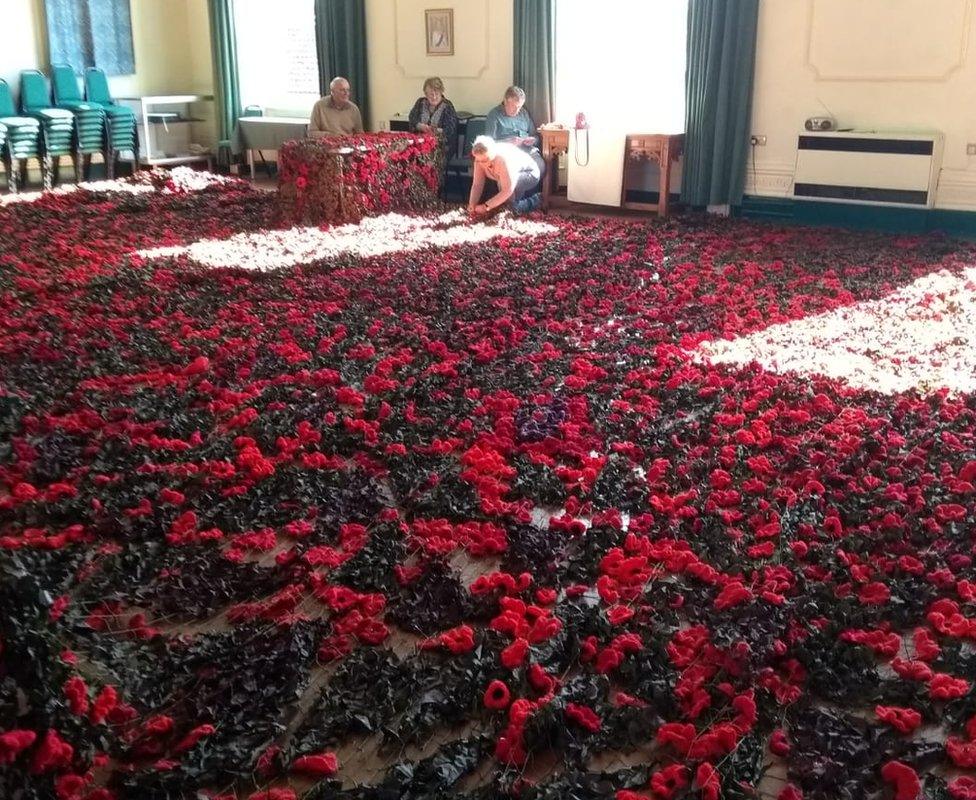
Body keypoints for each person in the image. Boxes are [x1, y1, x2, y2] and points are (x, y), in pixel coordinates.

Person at [467, 135, 543, 217]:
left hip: (529, 173)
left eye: (485, 160)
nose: (482, 164)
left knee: (510, 209)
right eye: (479, 161)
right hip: (506, 179)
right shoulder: (479, 158)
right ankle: (516, 204)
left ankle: (537, 200)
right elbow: (477, 185)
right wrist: (472, 204)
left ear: (493, 155)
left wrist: (486, 206)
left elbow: (507, 190)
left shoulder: (503, 159)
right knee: (501, 206)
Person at [408, 77, 459, 156]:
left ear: (441, 92)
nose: (434, 97)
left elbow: (450, 129)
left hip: (441, 146)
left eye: (437, 94)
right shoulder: (420, 102)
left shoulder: (447, 106)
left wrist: (434, 130)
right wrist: (419, 126)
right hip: (419, 143)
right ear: (426, 94)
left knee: (431, 157)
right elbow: (411, 118)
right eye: (431, 94)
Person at [485, 86, 538, 150]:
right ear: (505, 101)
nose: (516, 111)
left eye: (519, 107)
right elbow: (488, 143)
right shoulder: (494, 115)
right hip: (505, 151)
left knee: (537, 159)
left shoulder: (524, 113)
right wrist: (507, 142)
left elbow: (535, 136)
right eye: (513, 106)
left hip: (527, 150)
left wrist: (533, 140)